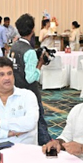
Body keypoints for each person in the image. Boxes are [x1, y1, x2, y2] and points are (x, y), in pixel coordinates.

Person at [9, 13, 51, 146]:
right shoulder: (29, 51)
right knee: (39, 121)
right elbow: (31, 78)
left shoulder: (14, 47)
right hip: (30, 93)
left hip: (16, 90)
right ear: (32, 30)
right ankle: (46, 146)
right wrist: (40, 64)